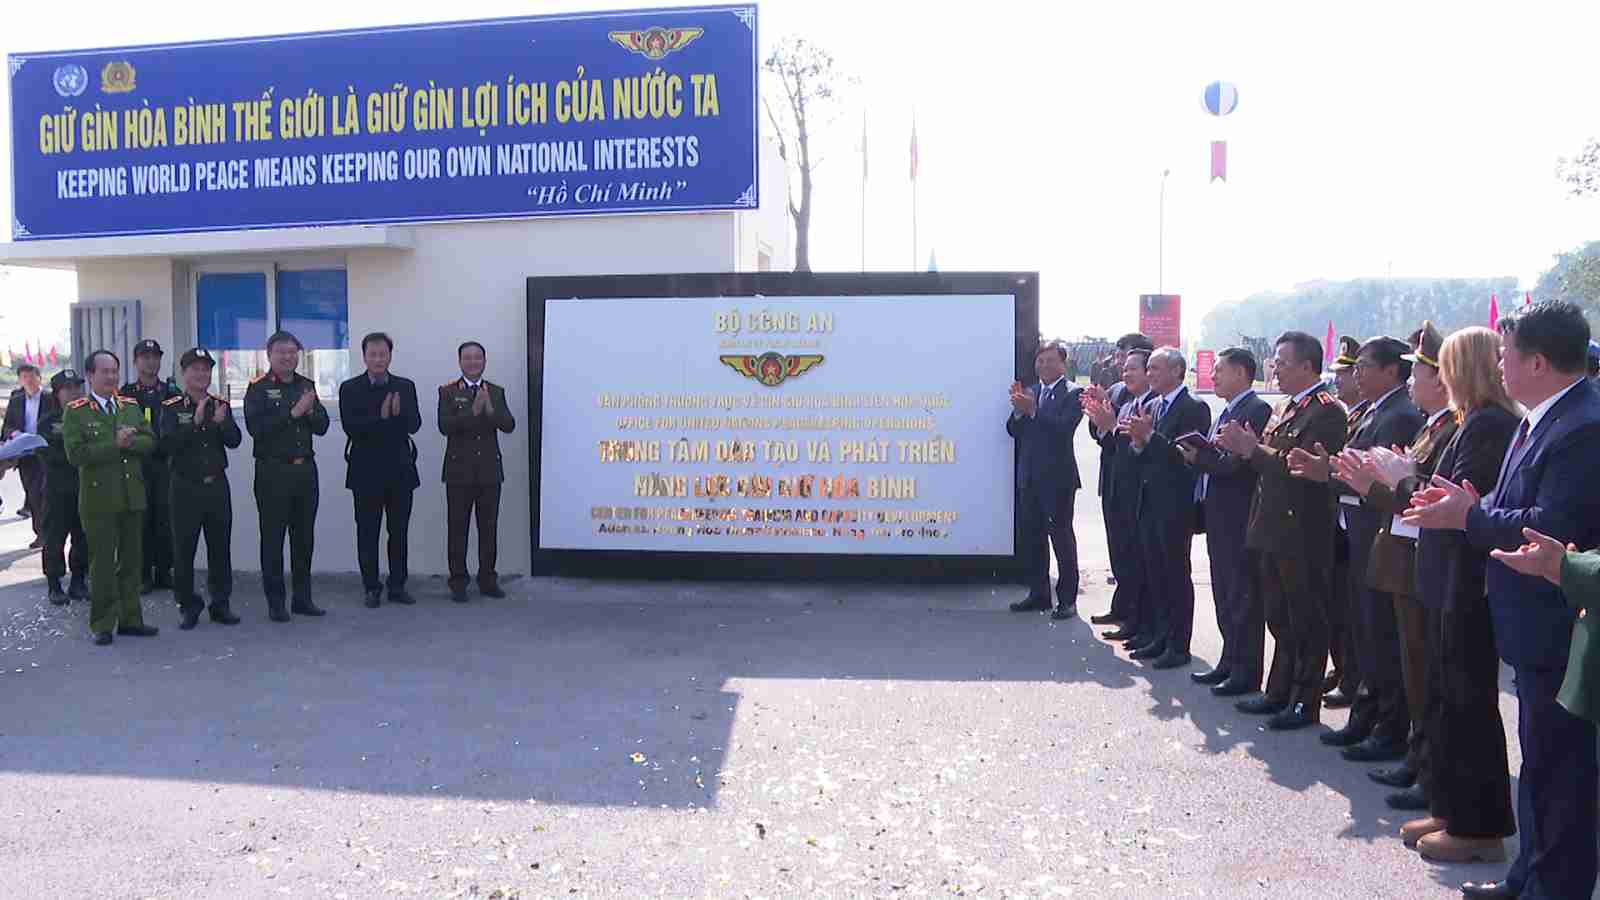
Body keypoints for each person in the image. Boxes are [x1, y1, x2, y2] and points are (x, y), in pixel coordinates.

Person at [1405, 301, 1600, 900]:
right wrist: (1470, 506)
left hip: (1560, 624)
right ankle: (1527, 878)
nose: (1497, 363)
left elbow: (1553, 526)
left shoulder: (1582, 425)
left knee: (1563, 776)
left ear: (1536, 361)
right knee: (1539, 764)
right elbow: (1508, 504)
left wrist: (1472, 515)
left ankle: (1554, 887)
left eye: (1505, 353)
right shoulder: (1542, 417)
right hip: (1530, 621)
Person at [1351, 326, 1519, 863]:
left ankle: (1479, 827)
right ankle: (1452, 809)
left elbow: (1456, 507)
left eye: (1442, 367)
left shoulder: (1488, 426)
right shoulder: (1472, 423)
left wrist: (1404, 480)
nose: (1437, 377)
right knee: (1448, 702)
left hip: (1466, 583)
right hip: (1445, 578)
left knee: (1468, 705)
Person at [1331, 323, 1451, 811]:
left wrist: (1380, 482)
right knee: (1385, 644)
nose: (1414, 382)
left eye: (1421, 373)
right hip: (1381, 540)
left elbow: (1419, 490)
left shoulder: (1416, 417)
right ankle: (1398, 738)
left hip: (1412, 551)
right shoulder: (1424, 420)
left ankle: (1405, 742)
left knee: (1409, 656)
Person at [1294, 336, 1423, 761]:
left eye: (1364, 366)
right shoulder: (1373, 410)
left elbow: (1375, 479)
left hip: (1381, 534)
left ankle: (1386, 726)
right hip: (1359, 532)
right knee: (1365, 632)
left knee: (1381, 637)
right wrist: (1328, 471)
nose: (1356, 373)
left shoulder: (1399, 415)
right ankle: (1366, 717)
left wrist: (1325, 474)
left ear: (1391, 370)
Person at [1216, 331, 1347, 730]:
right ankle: (1278, 691)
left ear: (1308, 367)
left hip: (1301, 531)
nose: (1275, 368)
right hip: (1272, 526)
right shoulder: (1289, 407)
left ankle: (1303, 701)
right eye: (1274, 361)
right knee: (1280, 617)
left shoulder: (1326, 411)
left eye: (1283, 362)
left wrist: (1251, 449)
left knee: (1305, 619)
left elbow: (1298, 465)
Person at [1183, 347, 1271, 693]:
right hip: (1219, 514)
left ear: (1241, 372)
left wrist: (1200, 459)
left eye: (1220, 370)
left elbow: (1239, 464)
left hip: (1239, 514)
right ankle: (1229, 660)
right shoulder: (1229, 409)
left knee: (1243, 596)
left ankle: (1246, 672)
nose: (1213, 376)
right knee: (1224, 592)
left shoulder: (1257, 410)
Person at [63, 350, 159, 646]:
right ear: (90, 375)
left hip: (132, 496)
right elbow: (75, 455)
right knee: (102, 563)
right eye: (104, 372)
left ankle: (131, 619)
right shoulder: (77, 411)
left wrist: (130, 443)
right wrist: (114, 444)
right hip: (99, 499)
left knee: (132, 562)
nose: (111, 377)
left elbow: (150, 440)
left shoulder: (129, 406)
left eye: (115, 371)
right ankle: (102, 623)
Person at [1122, 347, 1211, 667]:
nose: (1150, 375)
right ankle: (1159, 636)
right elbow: (1144, 455)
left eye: (1156, 369)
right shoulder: (1154, 405)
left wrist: (1149, 438)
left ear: (1177, 371)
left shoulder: (1194, 407)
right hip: (1149, 501)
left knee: (1175, 575)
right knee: (1155, 574)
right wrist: (1137, 443)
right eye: (1149, 369)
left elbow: (1186, 459)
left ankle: (1178, 645)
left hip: (1175, 506)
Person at [245, 330, 331, 622]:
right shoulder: (257, 388)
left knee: (304, 537)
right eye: (281, 351)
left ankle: (302, 598)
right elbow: (256, 429)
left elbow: (322, 426)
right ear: (269, 355)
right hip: (273, 471)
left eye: (292, 352)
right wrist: (294, 413)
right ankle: (276, 602)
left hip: (305, 470)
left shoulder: (306, 385)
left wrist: (308, 413)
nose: (287, 357)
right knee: (272, 539)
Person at [159, 348, 243, 630]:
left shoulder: (220, 404)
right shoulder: (171, 406)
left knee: (220, 549)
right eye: (195, 369)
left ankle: (221, 604)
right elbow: (166, 445)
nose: (201, 374)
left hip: (217, 487)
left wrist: (221, 425)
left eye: (206, 369)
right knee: (184, 550)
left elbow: (235, 441)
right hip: (185, 488)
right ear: (184, 374)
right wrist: (194, 424)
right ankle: (188, 605)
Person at [339, 332, 422, 609]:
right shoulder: (350, 388)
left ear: (390, 356)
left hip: (400, 471)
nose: (377, 359)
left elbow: (415, 425)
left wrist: (399, 415)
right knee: (368, 532)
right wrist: (383, 417)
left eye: (382, 354)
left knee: (398, 532)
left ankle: (397, 585)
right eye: (372, 354)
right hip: (365, 473)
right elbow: (352, 427)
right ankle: (371, 587)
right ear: (364, 357)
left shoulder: (405, 386)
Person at [1007, 341, 1084, 619]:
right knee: (1033, 538)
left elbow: (1063, 429)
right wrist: (1019, 411)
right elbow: (1013, 430)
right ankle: (1039, 594)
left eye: (1050, 361)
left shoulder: (1074, 393)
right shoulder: (1032, 391)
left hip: (1058, 480)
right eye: (1040, 361)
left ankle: (1067, 600)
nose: (1044, 366)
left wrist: (1034, 411)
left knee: (1061, 539)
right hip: (1030, 477)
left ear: (1063, 364)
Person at [438, 341, 516, 603]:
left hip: (489, 472)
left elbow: (508, 425)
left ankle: (487, 580)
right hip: (459, 472)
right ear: (460, 362)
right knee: (457, 529)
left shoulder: (495, 391)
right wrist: (473, 411)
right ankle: (458, 582)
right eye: (467, 358)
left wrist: (490, 410)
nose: (473, 362)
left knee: (488, 529)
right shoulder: (448, 392)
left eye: (477, 358)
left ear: (484, 361)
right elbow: (445, 426)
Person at [1087, 333, 1154, 623]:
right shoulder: (1115, 391)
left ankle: (1134, 612)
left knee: (1134, 550)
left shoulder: (1150, 400)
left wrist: (1111, 425)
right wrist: (1100, 421)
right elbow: (1101, 434)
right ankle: (1122, 606)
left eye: (1129, 362)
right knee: (1117, 546)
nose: (1122, 367)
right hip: (1112, 477)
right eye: (1120, 360)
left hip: (1137, 484)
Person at [119, 338, 182, 594]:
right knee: (140, 521)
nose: (151, 361)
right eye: (145, 357)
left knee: (165, 520)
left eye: (155, 356)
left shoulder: (171, 392)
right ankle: (143, 573)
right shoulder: (126, 393)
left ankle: (164, 571)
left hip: (164, 466)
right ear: (136, 362)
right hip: (137, 465)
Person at [1326, 335, 1367, 709]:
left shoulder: (1369, 414)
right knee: (1339, 604)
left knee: (1356, 610)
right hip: (1338, 521)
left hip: (1361, 523)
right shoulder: (1349, 413)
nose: (1338, 380)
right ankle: (1343, 668)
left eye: (1347, 373)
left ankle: (1353, 675)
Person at [37, 369, 88, 604]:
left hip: (84, 488)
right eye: (68, 389)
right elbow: (49, 454)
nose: (74, 392)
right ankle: (54, 585)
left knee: (82, 537)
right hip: (57, 490)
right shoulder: (48, 422)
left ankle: (78, 581)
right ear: (57, 393)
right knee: (54, 538)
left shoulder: (89, 416)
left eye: (77, 387)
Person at [4, 362, 57, 547]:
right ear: (20, 380)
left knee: (43, 493)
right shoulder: (17, 400)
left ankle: (47, 533)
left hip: (45, 451)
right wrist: (15, 434)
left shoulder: (50, 398)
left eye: (31, 376)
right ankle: (40, 532)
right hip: (25, 454)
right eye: (24, 377)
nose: (28, 380)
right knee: (32, 495)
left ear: (39, 377)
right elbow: (8, 425)